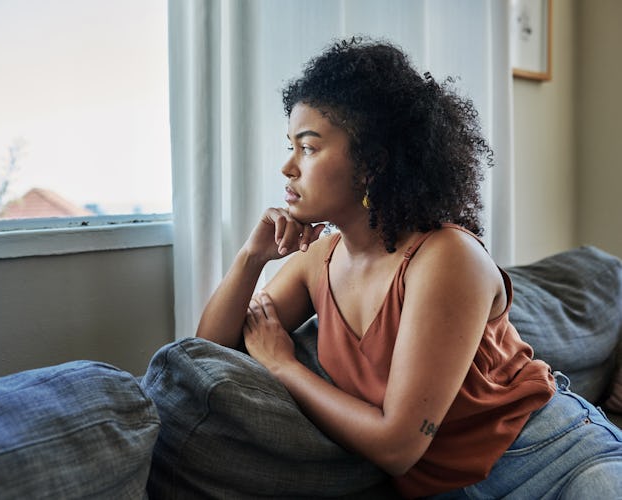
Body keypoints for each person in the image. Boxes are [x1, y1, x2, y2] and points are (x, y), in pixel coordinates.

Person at [195, 37, 622, 498]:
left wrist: (283, 367)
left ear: (371, 164)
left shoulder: (445, 257)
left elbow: (398, 447)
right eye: (290, 147)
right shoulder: (316, 261)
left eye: (309, 148)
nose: (287, 168)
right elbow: (204, 356)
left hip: (554, 459)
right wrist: (250, 258)